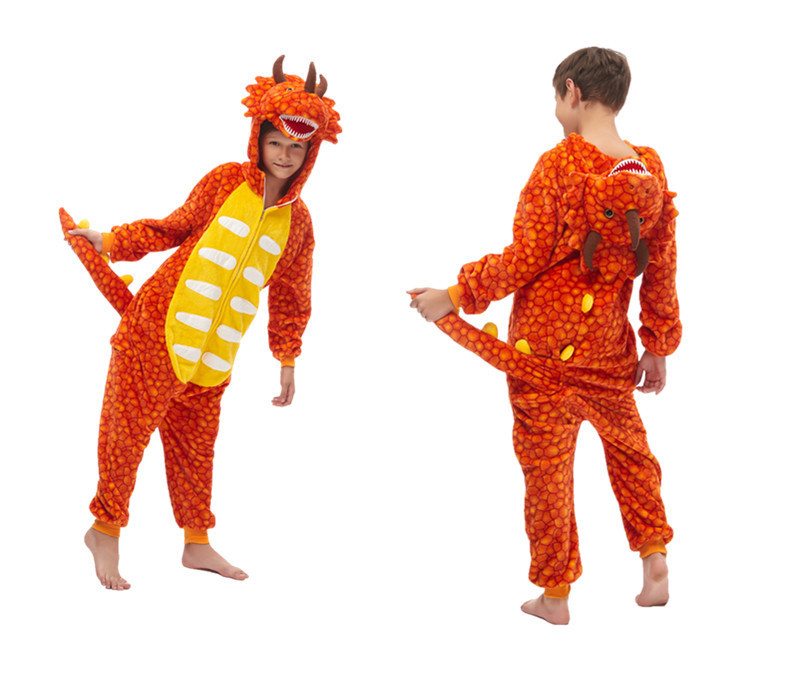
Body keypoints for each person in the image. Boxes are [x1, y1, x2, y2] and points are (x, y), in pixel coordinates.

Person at [409, 47, 680, 625]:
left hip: (541, 352)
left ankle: (555, 596)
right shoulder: (650, 173)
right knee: (631, 454)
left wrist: (454, 294)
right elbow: (661, 267)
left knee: (547, 472)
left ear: (572, 92)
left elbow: (524, 257)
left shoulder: (558, 166)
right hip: (609, 352)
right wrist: (657, 344)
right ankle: (654, 555)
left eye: (557, 99)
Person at [65, 56, 341, 590]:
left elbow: (292, 295)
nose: (284, 155)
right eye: (276, 142)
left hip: (214, 357)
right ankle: (104, 530)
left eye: (296, 147)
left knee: (196, 449)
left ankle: (196, 543)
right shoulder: (224, 181)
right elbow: (172, 229)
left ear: (311, 153)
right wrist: (111, 241)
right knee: (126, 436)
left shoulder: (299, 224)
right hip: (154, 334)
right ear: (258, 139)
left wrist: (287, 358)